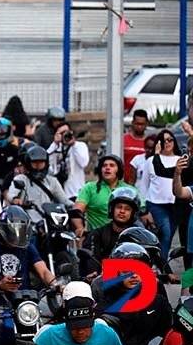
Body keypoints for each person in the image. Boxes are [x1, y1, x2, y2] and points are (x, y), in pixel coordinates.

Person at [0, 207, 57, 345]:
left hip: (25, 306)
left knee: (45, 337)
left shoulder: (27, 248)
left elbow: (44, 271)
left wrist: (56, 284)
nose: (17, 237)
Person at [34, 281, 125, 345]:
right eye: (74, 327)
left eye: (85, 326)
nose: (80, 332)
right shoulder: (48, 336)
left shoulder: (108, 334)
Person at [137, 128, 182, 262]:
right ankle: (162, 266)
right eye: (163, 140)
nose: (167, 143)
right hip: (156, 204)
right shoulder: (151, 161)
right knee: (165, 233)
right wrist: (143, 208)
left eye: (170, 140)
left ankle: (159, 262)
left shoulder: (180, 160)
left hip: (176, 204)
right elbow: (143, 185)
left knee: (167, 236)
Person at [6, 144, 68, 225]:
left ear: (46, 163)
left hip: (50, 222)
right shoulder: (21, 179)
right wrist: (16, 200)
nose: (38, 165)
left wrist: (78, 206)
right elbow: (11, 195)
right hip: (29, 223)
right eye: (34, 162)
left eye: (41, 162)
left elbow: (64, 201)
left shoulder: (52, 181)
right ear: (28, 163)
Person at [75, 154, 138, 230]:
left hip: (125, 235)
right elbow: (76, 211)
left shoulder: (130, 190)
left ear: (119, 170)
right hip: (97, 237)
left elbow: (143, 212)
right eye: (104, 166)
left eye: (112, 165)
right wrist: (79, 228)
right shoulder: (89, 187)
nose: (107, 168)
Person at [85, 187, 145, 264]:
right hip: (106, 274)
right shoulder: (97, 234)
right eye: (119, 207)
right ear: (112, 209)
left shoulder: (140, 236)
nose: (122, 211)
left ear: (133, 213)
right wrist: (93, 273)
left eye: (127, 209)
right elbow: (91, 260)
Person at [47, 120, 90, 200]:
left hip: (75, 193)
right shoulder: (56, 148)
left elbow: (84, 163)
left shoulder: (80, 146)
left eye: (66, 132)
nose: (65, 135)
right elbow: (46, 164)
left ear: (71, 132)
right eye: (61, 133)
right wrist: (54, 144)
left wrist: (73, 144)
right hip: (58, 194)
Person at [125, 110, 151, 183]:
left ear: (146, 124)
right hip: (125, 183)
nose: (139, 127)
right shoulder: (124, 140)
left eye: (142, 124)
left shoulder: (150, 143)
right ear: (132, 123)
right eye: (137, 124)